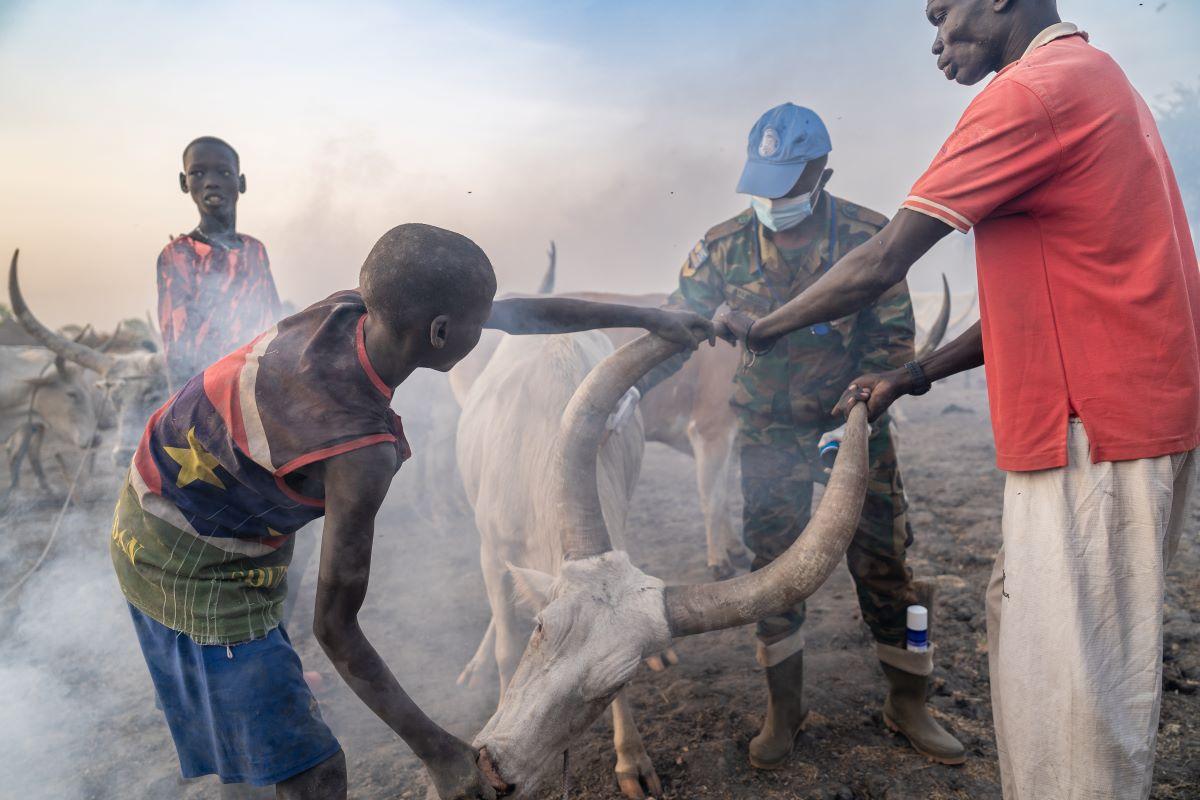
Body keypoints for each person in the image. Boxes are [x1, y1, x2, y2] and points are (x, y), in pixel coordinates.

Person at [715, 3, 1199, 798]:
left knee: (1074, 703)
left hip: (1089, 432)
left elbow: (883, 264)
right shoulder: (1094, 79)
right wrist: (914, 377)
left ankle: (910, 700)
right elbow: (1037, 298)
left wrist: (766, 329)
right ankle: (784, 708)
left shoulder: (1029, 94)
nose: (935, 36)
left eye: (942, 11)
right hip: (1110, 426)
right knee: (1054, 658)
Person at [111, 223, 714, 799]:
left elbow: (524, 314)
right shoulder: (360, 452)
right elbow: (335, 628)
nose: (492, 331)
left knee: (250, 734)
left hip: (180, 497)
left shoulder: (357, 308)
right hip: (191, 561)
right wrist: (439, 752)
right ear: (441, 332)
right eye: (480, 322)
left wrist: (650, 319)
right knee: (311, 770)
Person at [662, 103, 964, 769]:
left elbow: (891, 343)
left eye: (788, 186)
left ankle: (909, 701)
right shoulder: (722, 246)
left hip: (854, 431)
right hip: (767, 437)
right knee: (772, 571)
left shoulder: (869, 239)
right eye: (763, 185)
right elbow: (679, 315)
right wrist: (698, 322)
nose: (774, 201)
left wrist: (855, 416)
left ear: (821, 175)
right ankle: (785, 707)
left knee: (886, 567)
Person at [157, 136, 282, 390]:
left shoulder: (255, 251)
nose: (211, 182)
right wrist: (185, 408)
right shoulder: (179, 255)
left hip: (262, 388)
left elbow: (275, 325)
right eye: (198, 173)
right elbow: (177, 351)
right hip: (209, 394)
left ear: (241, 182)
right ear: (184, 182)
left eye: (224, 173)